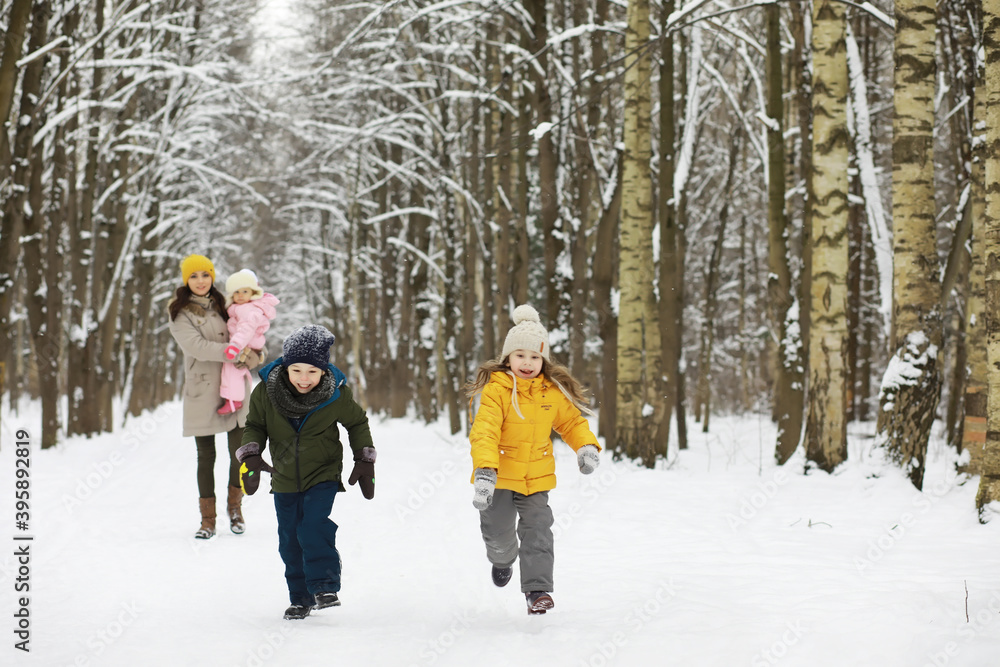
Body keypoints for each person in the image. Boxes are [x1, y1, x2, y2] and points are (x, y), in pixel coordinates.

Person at [467, 304, 602, 615]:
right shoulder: (496, 391)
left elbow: (571, 423)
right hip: (499, 476)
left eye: (535, 356)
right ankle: (502, 559)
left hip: (536, 476)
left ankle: (536, 590)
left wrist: (586, 447)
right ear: (507, 358)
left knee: (538, 529)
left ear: (544, 360)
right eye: (520, 355)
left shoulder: (551, 392)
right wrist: (485, 471)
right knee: (498, 532)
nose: (527, 362)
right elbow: (484, 432)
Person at [236, 324, 376, 621]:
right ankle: (300, 598)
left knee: (312, 526)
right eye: (296, 370)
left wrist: (364, 458)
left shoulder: (335, 395)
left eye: (312, 372)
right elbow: (255, 425)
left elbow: (357, 423)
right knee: (289, 539)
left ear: (324, 371)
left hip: (322, 473)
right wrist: (250, 452)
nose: (304, 378)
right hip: (283, 475)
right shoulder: (266, 393)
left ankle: (324, 586)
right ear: (286, 367)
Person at [168, 254, 265, 539]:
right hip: (203, 390)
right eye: (194, 276)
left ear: (212, 277)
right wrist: (234, 352)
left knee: (240, 453)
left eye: (205, 274)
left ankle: (235, 509)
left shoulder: (229, 305)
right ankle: (207, 520)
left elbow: (254, 335)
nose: (200, 281)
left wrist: (255, 357)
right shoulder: (180, 312)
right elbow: (196, 346)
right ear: (186, 280)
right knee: (205, 456)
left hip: (235, 388)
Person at [218, 269, 279, 415]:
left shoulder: (248, 309)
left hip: (246, 343)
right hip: (244, 342)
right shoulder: (240, 307)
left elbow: (246, 329)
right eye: (236, 292)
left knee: (232, 369)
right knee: (235, 369)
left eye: (244, 291)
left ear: (253, 292)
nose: (240, 295)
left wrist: (235, 346)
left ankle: (234, 401)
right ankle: (233, 399)